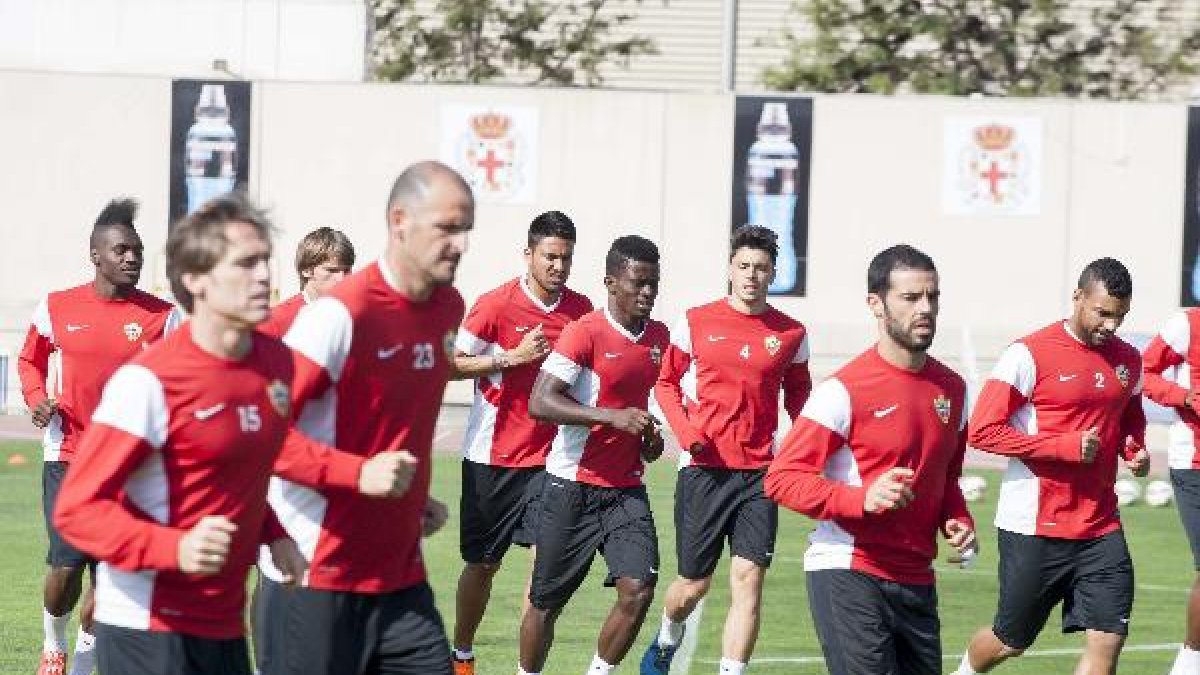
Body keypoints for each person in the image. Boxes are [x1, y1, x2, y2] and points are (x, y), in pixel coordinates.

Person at [51, 194, 412, 675]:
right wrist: (173, 548)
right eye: (244, 263)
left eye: (264, 260)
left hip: (222, 625)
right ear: (195, 279)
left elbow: (245, 468)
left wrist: (274, 532)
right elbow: (77, 512)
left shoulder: (275, 364)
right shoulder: (149, 382)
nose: (263, 275)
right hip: (145, 627)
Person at [258, 161, 472, 675]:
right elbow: (260, 436)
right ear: (400, 221)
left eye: (465, 229)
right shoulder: (337, 317)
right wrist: (359, 475)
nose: (459, 244)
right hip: (318, 573)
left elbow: (396, 423)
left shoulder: (447, 308)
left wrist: (412, 500)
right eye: (446, 227)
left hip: (400, 581)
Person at [765, 244, 977, 675]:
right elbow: (781, 479)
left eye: (932, 297)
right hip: (848, 568)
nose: (925, 309)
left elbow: (945, 479)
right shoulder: (841, 390)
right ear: (875, 304)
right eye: (911, 298)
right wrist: (860, 498)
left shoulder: (952, 389)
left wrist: (957, 519)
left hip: (917, 577)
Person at [952, 258, 1150, 675]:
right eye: (1103, 312)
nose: (1111, 325)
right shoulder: (1027, 354)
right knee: (1011, 641)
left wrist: (1134, 448)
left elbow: (1129, 412)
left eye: (1120, 315)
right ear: (1078, 297)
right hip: (1034, 527)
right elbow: (983, 433)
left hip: (1101, 526)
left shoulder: (1128, 359)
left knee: (1107, 638)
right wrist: (1062, 446)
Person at [18, 197, 182, 675]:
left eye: (138, 251)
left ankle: (89, 653)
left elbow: (180, 380)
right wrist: (36, 399)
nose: (132, 258)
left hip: (133, 465)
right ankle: (53, 643)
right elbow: (30, 359)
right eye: (121, 250)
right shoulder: (57, 306)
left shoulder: (163, 316)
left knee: (111, 576)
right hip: (68, 455)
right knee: (66, 567)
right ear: (96, 255)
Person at [640, 226, 811, 675]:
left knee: (749, 579)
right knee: (693, 585)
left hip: (760, 474)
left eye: (761, 268)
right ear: (731, 269)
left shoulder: (791, 333)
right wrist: (686, 431)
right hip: (703, 470)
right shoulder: (696, 320)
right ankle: (666, 637)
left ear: (773, 273)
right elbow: (665, 383)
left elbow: (802, 401)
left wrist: (804, 452)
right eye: (744, 266)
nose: (752, 275)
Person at [449, 210, 592, 675]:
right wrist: (513, 358)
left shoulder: (581, 310)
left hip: (550, 463)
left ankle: (525, 669)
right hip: (492, 458)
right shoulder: (494, 305)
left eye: (566, 258)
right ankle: (463, 655)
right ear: (529, 255)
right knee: (482, 566)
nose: (558, 266)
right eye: (550, 256)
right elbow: (451, 362)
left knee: (541, 576)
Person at [518, 235, 669, 675]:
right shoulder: (584, 331)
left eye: (653, 283)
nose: (647, 293)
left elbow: (644, 407)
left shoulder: (659, 337)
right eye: (638, 283)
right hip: (571, 486)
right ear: (610, 282)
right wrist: (611, 418)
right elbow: (541, 402)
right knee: (545, 603)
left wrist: (649, 438)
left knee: (638, 589)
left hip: (625, 490)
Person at [1142, 307, 1200, 674]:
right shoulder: (1187, 324)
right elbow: (1143, 373)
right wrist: (1184, 396)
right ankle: (1190, 660)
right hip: (1194, 463)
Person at [258, 226, 355, 337]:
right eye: (332, 270)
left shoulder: (357, 316)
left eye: (347, 270)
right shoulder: (277, 321)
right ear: (306, 270)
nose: (342, 279)